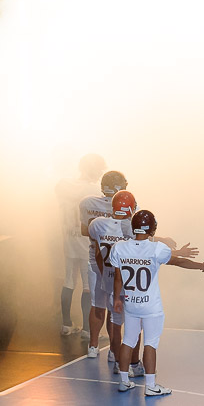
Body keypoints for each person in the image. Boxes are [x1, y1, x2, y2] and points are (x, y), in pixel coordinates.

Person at [111, 209, 204, 396]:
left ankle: (124, 381)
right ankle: (151, 386)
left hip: (130, 303)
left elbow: (118, 277)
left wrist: (117, 298)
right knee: (150, 343)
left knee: (128, 340)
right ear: (152, 229)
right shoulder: (156, 248)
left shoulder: (119, 247)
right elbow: (179, 262)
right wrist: (202, 266)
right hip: (151, 306)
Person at [55, 153, 106, 339]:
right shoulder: (93, 190)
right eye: (98, 170)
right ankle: (87, 329)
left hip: (68, 238)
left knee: (69, 280)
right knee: (88, 285)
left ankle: (66, 324)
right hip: (86, 242)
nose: (100, 174)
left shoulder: (63, 185)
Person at [80, 170, 128, 359]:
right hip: (116, 265)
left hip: (96, 259)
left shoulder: (88, 203)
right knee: (114, 307)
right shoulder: (125, 204)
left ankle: (93, 346)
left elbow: (85, 231)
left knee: (97, 304)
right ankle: (113, 350)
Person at [88, 189, 136, 374]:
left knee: (115, 322)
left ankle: (116, 358)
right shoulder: (132, 228)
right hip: (128, 283)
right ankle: (131, 363)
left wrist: (104, 273)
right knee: (132, 325)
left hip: (109, 280)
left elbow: (97, 252)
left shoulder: (98, 224)